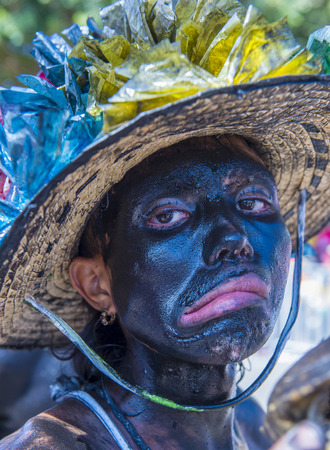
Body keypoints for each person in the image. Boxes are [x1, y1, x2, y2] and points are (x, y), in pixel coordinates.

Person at [0, 0, 329, 448]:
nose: (234, 240)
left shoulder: (252, 425)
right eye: (169, 215)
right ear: (97, 284)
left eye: (252, 201)